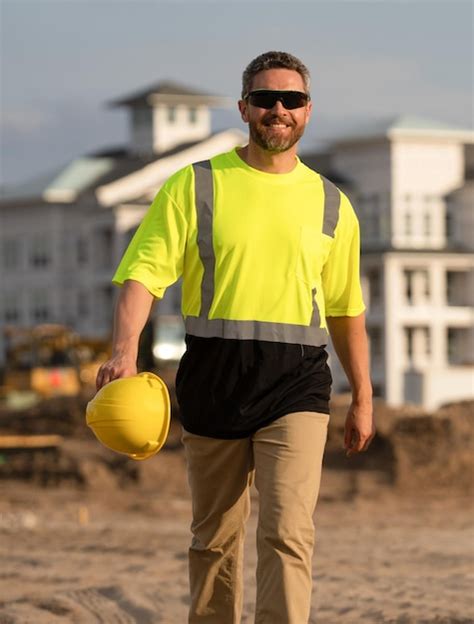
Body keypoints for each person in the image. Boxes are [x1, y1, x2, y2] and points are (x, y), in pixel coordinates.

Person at [96, 50, 375, 624]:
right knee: (214, 542)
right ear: (244, 107)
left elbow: (347, 311)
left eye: (291, 99)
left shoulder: (332, 204)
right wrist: (124, 351)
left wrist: (364, 398)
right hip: (213, 378)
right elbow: (143, 274)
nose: (279, 109)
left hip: (297, 383)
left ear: (308, 111)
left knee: (288, 533)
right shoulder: (194, 185)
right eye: (266, 99)